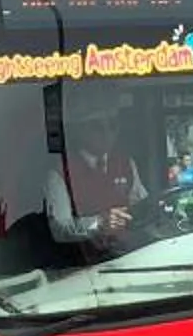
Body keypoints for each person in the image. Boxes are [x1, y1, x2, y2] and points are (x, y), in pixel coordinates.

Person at [47, 103, 148, 245]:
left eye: (113, 125)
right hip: (86, 259)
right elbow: (59, 228)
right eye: (97, 127)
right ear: (80, 130)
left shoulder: (126, 163)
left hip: (129, 251)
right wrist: (98, 223)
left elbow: (140, 204)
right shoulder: (60, 174)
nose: (107, 133)